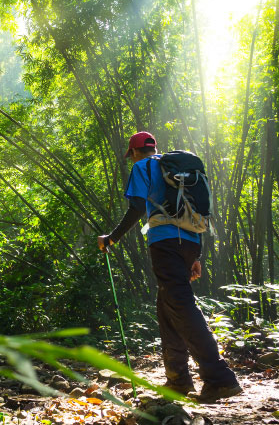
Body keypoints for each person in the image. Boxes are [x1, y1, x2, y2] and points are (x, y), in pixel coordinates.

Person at [98, 131, 242, 403]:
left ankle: (220, 378)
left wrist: (112, 238)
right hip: (188, 244)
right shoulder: (176, 171)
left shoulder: (143, 167)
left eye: (132, 155)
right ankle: (178, 379)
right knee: (167, 307)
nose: (133, 160)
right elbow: (196, 213)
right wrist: (196, 256)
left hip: (164, 243)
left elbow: (137, 208)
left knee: (183, 306)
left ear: (135, 152)